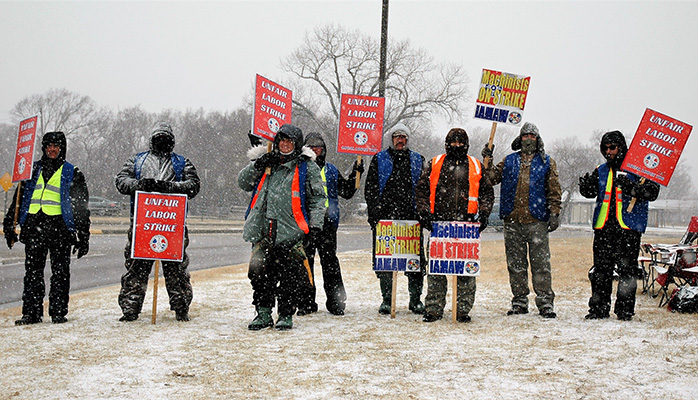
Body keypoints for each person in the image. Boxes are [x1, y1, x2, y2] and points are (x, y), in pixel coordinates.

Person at [238, 124, 326, 330]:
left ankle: (286, 315)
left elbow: (318, 200)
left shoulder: (307, 167)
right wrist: (258, 165)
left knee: (290, 279)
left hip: (292, 234)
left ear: (297, 144)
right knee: (259, 275)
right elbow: (243, 182)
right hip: (263, 232)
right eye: (281, 140)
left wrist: (315, 227)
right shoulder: (265, 162)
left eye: (290, 141)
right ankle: (263, 313)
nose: (285, 144)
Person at [115, 122, 200, 322]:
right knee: (136, 268)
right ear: (152, 139)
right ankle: (130, 309)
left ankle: (181, 308)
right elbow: (120, 180)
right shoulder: (138, 161)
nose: (162, 142)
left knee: (176, 271)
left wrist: (170, 187)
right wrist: (139, 184)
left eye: (166, 138)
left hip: (173, 226)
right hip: (142, 225)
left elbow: (194, 185)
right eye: (158, 138)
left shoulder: (181, 162)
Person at [3, 131, 91, 325]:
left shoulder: (72, 172)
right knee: (33, 272)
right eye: (48, 146)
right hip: (34, 227)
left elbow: (81, 207)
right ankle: (31, 313)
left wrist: (83, 235)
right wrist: (10, 224)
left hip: (60, 229)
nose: (52, 149)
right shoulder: (31, 171)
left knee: (60, 272)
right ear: (43, 148)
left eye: (56, 146)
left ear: (62, 148)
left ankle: (58, 312)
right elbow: (19, 200)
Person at [482, 122, 561, 319]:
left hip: (537, 221)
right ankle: (519, 301)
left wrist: (554, 212)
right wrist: (488, 160)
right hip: (512, 221)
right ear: (520, 138)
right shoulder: (509, 161)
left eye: (532, 136)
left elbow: (554, 190)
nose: (528, 139)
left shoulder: (547, 163)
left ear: (538, 139)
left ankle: (545, 303)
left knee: (541, 264)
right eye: (525, 135)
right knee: (516, 264)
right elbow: (491, 178)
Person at [578, 130, 659, 321]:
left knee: (627, 273)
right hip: (604, 228)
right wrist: (585, 187)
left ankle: (624, 311)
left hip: (628, 229)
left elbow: (653, 192)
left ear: (621, 148)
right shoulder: (601, 170)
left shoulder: (639, 170)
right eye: (605, 148)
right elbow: (592, 193)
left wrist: (631, 187)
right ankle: (598, 309)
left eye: (612, 147)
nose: (609, 152)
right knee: (601, 272)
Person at [416, 128, 494, 323]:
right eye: (453, 142)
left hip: (466, 226)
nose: (457, 146)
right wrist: (424, 212)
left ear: (466, 144)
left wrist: (484, 214)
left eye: (460, 142)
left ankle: (462, 310)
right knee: (436, 269)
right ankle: (433, 308)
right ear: (447, 144)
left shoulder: (476, 165)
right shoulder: (435, 164)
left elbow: (487, 193)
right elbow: (421, 190)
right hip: (439, 225)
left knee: (466, 271)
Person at [296, 132, 364, 316]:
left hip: (327, 225)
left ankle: (336, 302)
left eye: (320, 148)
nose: (317, 151)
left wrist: (356, 173)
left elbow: (347, 191)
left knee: (330, 264)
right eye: (312, 148)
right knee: (305, 263)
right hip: (306, 224)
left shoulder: (331, 170)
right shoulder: (300, 168)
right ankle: (305, 302)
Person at [364, 123, 426, 315]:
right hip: (386, 220)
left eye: (403, 137)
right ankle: (387, 300)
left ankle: (415, 300)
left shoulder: (418, 160)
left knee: (415, 262)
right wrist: (375, 213)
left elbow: (424, 188)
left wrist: (422, 213)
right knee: (386, 262)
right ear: (391, 139)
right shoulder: (379, 159)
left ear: (407, 140)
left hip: (411, 220)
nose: (400, 140)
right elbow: (371, 189)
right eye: (397, 137)